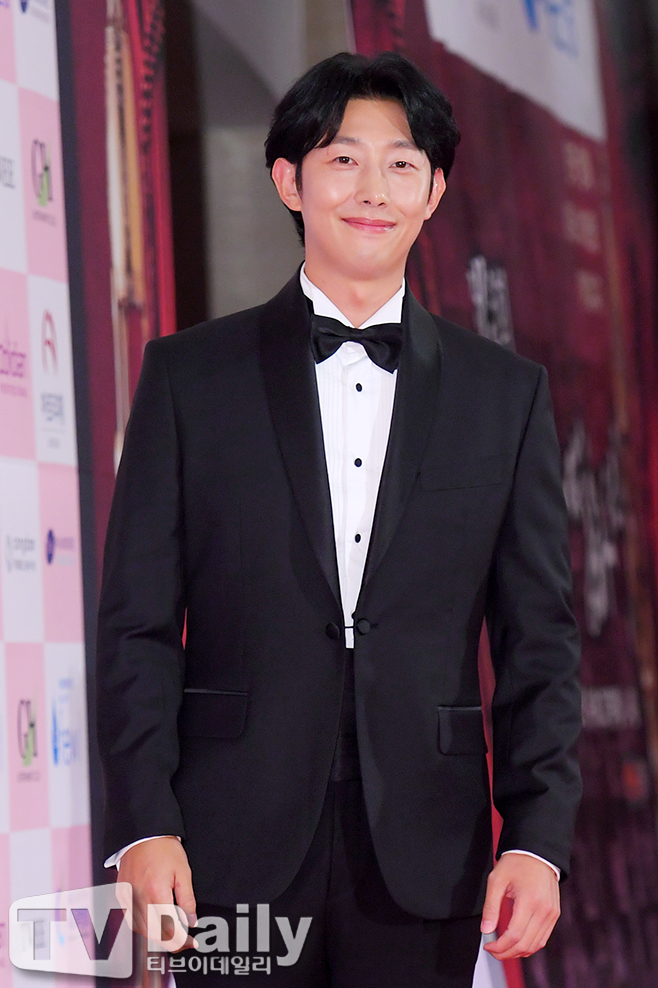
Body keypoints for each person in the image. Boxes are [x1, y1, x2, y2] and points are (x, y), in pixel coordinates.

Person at [97, 51, 581, 987]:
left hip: (428, 846)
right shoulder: (190, 379)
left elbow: (540, 641)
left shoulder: (505, 397)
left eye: (401, 165)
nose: (373, 190)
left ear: (434, 192)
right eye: (343, 160)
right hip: (224, 843)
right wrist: (143, 825)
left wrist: (538, 839)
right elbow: (136, 627)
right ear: (290, 180)